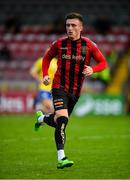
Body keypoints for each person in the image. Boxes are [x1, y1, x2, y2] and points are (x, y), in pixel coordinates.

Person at [35, 12, 108, 169]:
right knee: (62, 120)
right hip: (58, 87)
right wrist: (46, 74)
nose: (70, 28)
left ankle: (41, 119)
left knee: (57, 121)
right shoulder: (59, 44)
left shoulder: (89, 46)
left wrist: (93, 69)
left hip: (75, 92)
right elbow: (46, 58)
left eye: (74, 25)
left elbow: (103, 63)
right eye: (68, 25)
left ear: (81, 27)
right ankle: (61, 158)